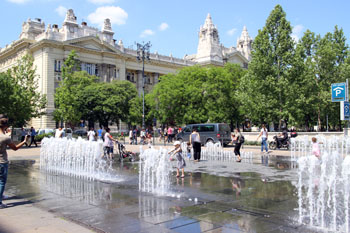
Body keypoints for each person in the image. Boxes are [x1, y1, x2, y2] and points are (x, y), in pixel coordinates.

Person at [0, 114, 28, 208]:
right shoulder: (5, 138)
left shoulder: (4, 136)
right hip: (2, 162)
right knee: (2, 182)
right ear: (6, 126)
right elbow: (15, 148)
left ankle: (1, 196)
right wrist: (24, 142)